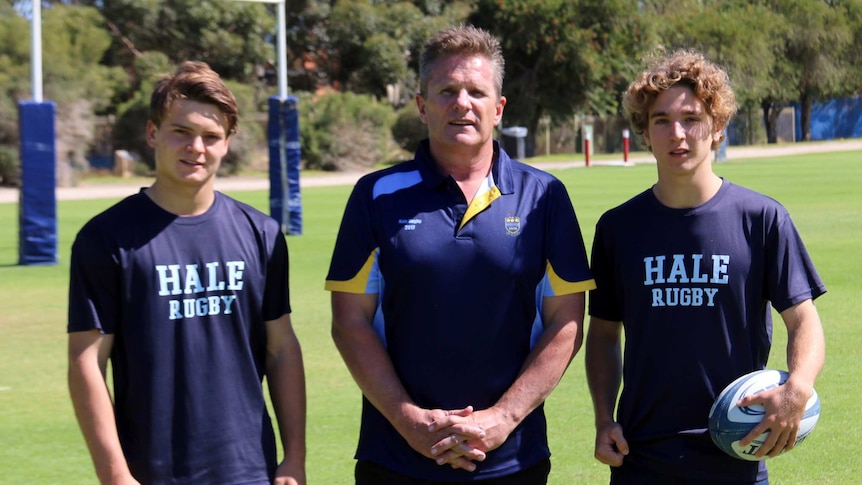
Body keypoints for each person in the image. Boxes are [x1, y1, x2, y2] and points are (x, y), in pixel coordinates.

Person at [324, 25, 594, 484]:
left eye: (476, 91)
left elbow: (567, 324)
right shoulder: (376, 195)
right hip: (395, 458)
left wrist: (501, 420)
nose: (462, 103)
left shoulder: (544, 196)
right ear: (422, 105)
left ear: (498, 108)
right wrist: (410, 421)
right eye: (447, 90)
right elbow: (350, 323)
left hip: (512, 460)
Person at [585, 49, 826, 484]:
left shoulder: (763, 219)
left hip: (737, 452)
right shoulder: (618, 228)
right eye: (661, 120)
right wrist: (604, 419)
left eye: (691, 118)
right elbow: (603, 335)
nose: (677, 133)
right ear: (645, 132)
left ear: (716, 127)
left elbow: (804, 319)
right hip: (641, 459)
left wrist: (799, 388)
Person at [67, 61, 307, 485]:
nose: (196, 147)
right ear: (152, 133)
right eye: (181, 131)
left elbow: (282, 349)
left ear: (227, 143)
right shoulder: (105, 239)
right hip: (153, 471)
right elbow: (88, 361)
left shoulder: (261, 234)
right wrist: (114, 475)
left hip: (251, 470)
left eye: (211, 136)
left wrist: (294, 459)